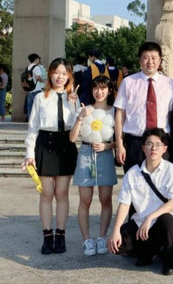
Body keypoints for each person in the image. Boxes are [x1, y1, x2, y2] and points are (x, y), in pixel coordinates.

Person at [22, 58, 80, 254]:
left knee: (62, 194)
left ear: (69, 76)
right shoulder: (40, 97)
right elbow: (33, 128)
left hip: (65, 145)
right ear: (50, 74)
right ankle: (47, 236)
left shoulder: (73, 97)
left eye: (64, 73)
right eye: (56, 72)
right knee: (46, 194)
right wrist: (29, 153)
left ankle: (60, 235)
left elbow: (76, 126)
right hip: (45, 145)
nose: (60, 77)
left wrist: (73, 105)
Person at [108, 128, 173, 275]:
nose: (153, 148)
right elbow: (124, 203)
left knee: (167, 221)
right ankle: (149, 252)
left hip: (162, 220)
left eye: (158, 144)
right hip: (141, 222)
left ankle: (168, 260)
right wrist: (115, 231)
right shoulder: (133, 173)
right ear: (143, 148)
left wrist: (151, 217)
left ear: (164, 149)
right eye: (149, 144)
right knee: (117, 244)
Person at [69, 76, 117, 256]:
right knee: (85, 200)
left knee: (105, 199)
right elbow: (72, 138)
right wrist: (80, 117)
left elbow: (120, 140)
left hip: (105, 155)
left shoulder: (114, 111)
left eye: (103, 88)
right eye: (96, 88)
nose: (99, 92)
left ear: (109, 90)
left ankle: (101, 237)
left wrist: (107, 146)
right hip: (85, 153)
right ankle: (87, 240)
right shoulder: (85, 108)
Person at [114, 41, 173, 172]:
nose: (150, 62)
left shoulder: (169, 84)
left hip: (161, 142)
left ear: (160, 60)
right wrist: (119, 145)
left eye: (154, 58)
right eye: (146, 58)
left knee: (161, 181)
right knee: (134, 180)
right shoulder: (128, 82)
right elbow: (120, 115)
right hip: (135, 142)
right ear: (140, 60)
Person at [25, 53, 46, 119]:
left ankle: (30, 121)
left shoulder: (27, 67)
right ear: (36, 59)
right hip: (36, 89)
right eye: (38, 59)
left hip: (29, 89)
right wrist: (44, 81)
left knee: (30, 107)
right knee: (39, 106)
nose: (39, 60)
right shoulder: (36, 67)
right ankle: (37, 121)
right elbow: (38, 77)